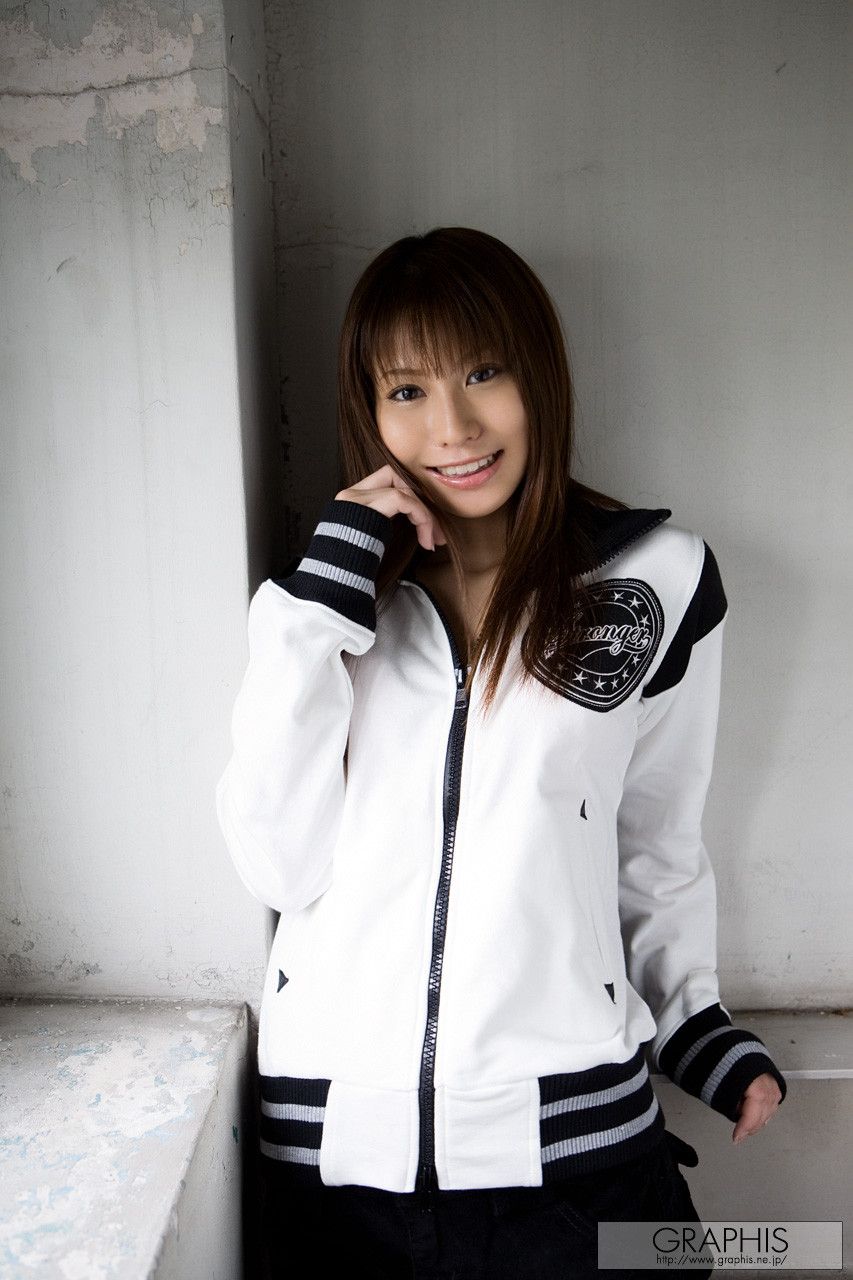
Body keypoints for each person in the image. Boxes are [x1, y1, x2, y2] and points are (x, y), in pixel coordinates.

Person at [216, 227, 786, 1279]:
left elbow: (655, 836)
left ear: (539, 378)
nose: (453, 427)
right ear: (368, 410)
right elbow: (278, 866)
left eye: (483, 372)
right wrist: (317, 608)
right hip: (341, 1179)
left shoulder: (658, 580)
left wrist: (693, 1020)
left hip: (580, 1166)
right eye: (407, 390)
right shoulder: (319, 610)